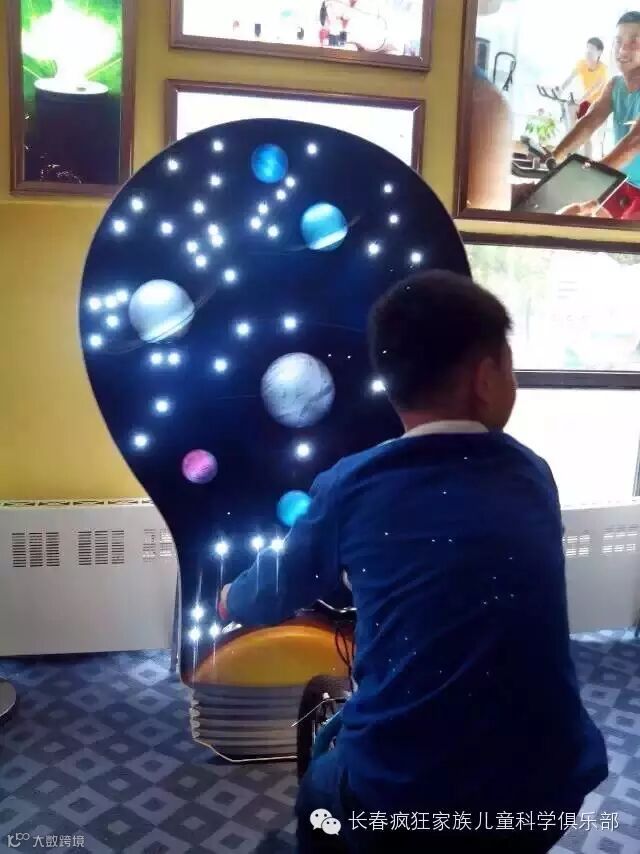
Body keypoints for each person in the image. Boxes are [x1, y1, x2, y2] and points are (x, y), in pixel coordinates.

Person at [219, 271, 608, 853]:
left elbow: (272, 590)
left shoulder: (350, 485)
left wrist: (230, 598)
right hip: (548, 784)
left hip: (406, 793)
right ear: (485, 378)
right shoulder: (532, 474)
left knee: (323, 782)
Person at [552, 12, 640, 215]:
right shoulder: (615, 85)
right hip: (622, 180)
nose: (623, 49)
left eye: (634, 42)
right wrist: (555, 155)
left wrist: (594, 176)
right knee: (580, 212)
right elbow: (590, 121)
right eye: (618, 41)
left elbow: (635, 142)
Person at [557, 37, 608, 158]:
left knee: (586, 134)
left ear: (599, 52)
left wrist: (580, 100)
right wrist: (560, 88)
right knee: (575, 129)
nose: (588, 51)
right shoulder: (582, 64)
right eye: (587, 48)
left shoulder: (603, 69)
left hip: (599, 103)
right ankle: (572, 154)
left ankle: (587, 159)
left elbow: (595, 88)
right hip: (587, 101)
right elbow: (570, 77)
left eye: (592, 48)